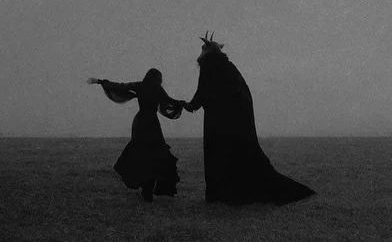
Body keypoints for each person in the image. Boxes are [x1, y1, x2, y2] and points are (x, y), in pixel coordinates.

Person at [182, 32, 316, 205]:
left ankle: (223, 195)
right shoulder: (229, 67)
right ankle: (233, 194)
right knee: (238, 155)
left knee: (220, 154)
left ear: (208, 52)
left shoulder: (209, 67)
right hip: (235, 123)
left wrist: (190, 105)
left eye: (203, 49)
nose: (200, 53)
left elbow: (203, 91)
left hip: (218, 122)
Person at [87, 68, 184, 202]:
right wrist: (184, 104)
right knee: (155, 154)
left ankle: (145, 189)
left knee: (141, 154)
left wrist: (99, 81)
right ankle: (148, 191)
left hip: (140, 123)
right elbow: (169, 101)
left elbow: (120, 86)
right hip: (152, 123)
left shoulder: (140, 85)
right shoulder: (157, 88)